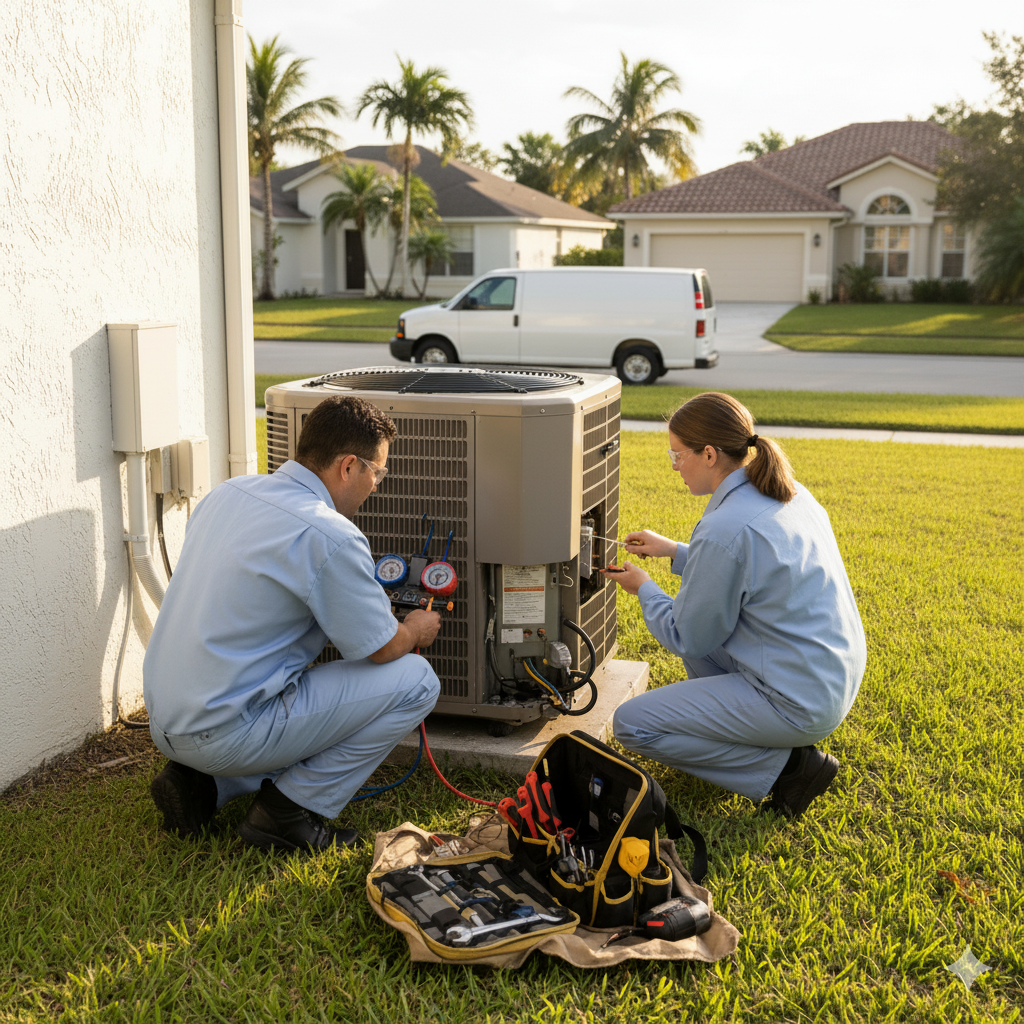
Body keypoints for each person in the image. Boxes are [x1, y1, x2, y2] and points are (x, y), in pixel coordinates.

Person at [143, 396, 441, 851]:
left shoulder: (228, 492)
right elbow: (382, 648)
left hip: (166, 721)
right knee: (418, 681)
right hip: (222, 730)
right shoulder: (330, 534)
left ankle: (203, 788)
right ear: (348, 467)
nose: (376, 485)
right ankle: (285, 813)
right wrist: (416, 629)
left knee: (293, 698)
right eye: (377, 472)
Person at [601, 392, 866, 819]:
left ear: (708, 454)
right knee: (709, 635)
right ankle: (765, 742)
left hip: (797, 699)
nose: (674, 467)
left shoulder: (725, 526)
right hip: (827, 676)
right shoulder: (790, 492)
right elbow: (745, 566)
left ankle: (789, 769)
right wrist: (674, 551)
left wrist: (644, 588)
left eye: (676, 455)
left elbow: (686, 635)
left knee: (633, 724)